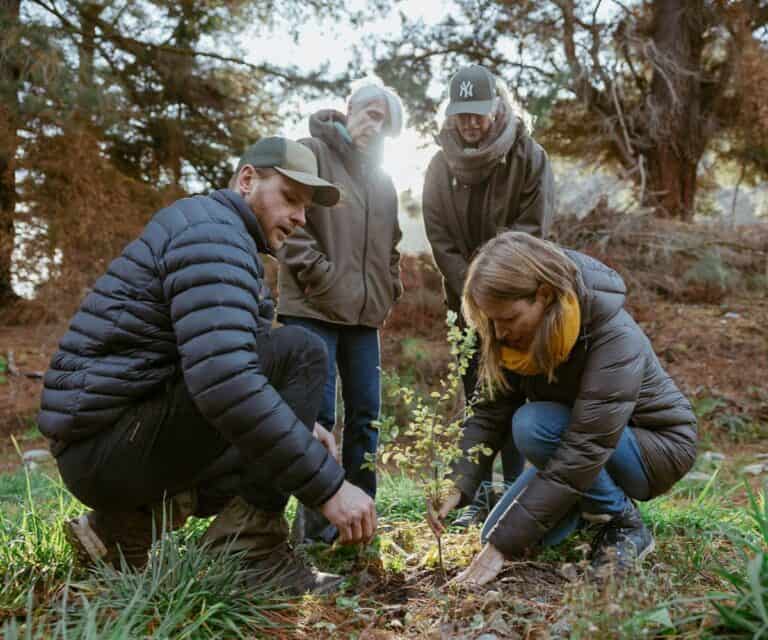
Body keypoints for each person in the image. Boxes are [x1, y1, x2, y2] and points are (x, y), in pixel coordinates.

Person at [37, 137, 377, 595]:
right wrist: (328, 487)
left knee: (276, 399)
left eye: (306, 207)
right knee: (302, 350)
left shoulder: (216, 231)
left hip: (106, 444)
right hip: (107, 446)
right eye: (291, 198)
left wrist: (300, 428)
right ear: (247, 179)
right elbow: (224, 381)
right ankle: (251, 554)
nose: (300, 217)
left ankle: (121, 531)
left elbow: (224, 362)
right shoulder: (215, 236)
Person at [427, 232, 697, 584]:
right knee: (493, 533)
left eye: (508, 317)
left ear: (543, 295)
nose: (499, 331)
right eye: (490, 320)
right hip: (576, 445)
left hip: (655, 449)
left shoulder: (613, 337)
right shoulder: (512, 336)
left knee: (532, 424)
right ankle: (590, 507)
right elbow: (489, 413)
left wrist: (503, 547)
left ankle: (623, 522)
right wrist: (457, 485)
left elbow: (585, 447)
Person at [422, 64, 555, 527]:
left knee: (514, 395)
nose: (471, 122)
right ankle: (474, 496)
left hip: (516, 303)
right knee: (476, 398)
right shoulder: (440, 165)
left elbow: (533, 232)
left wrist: (496, 288)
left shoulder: (529, 157)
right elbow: (439, 236)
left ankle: (514, 496)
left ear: (498, 108)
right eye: (462, 114)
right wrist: (472, 295)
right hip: (464, 304)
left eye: (478, 113)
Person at [277, 83, 404, 543]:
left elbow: (391, 247)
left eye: (384, 122)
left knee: (367, 416)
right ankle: (316, 530)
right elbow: (288, 224)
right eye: (370, 113)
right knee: (316, 420)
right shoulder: (312, 153)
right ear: (348, 110)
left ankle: (360, 523)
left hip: (364, 320)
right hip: (312, 311)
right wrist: (325, 278)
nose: (375, 126)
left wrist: (390, 288)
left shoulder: (384, 180)